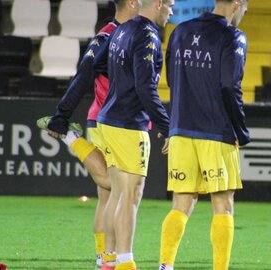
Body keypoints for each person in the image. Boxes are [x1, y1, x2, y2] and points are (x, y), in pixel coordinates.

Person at [36, 1, 140, 269]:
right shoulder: (110, 33)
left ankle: (103, 258)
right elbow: (85, 73)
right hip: (107, 121)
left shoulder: (128, 32)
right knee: (116, 187)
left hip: (108, 119)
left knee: (108, 195)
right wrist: (62, 115)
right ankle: (71, 138)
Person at [158, 1, 249, 269]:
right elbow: (230, 86)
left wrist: (176, 121)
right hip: (217, 130)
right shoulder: (233, 36)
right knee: (223, 203)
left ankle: (165, 266)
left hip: (181, 129)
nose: (246, 12)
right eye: (246, 6)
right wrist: (240, 131)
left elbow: (171, 77)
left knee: (181, 203)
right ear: (236, 5)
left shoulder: (180, 31)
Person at [94, 0, 174, 269]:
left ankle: (109, 260)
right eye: (170, 6)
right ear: (159, 4)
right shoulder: (148, 35)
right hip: (128, 124)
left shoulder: (123, 29)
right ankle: (126, 262)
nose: (172, 12)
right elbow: (145, 86)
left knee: (117, 194)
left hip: (109, 119)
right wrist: (165, 125)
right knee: (130, 195)